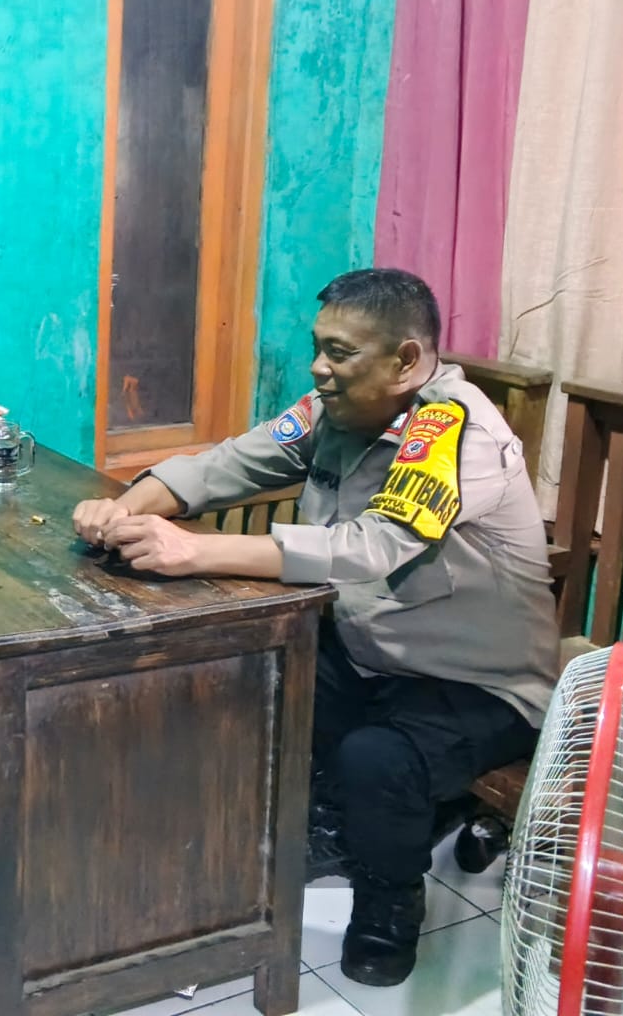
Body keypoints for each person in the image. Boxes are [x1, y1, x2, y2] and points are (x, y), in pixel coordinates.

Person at [72, 268, 557, 987]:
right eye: (317, 347)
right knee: (243, 676)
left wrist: (196, 551)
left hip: (479, 681)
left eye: (339, 352)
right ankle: (296, 829)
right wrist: (126, 508)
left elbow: (371, 548)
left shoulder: (455, 431)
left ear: (407, 361)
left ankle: (390, 902)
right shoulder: (339, 411)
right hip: (369, 651)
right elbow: (233, 462)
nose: (317, 368)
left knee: (375, 758)